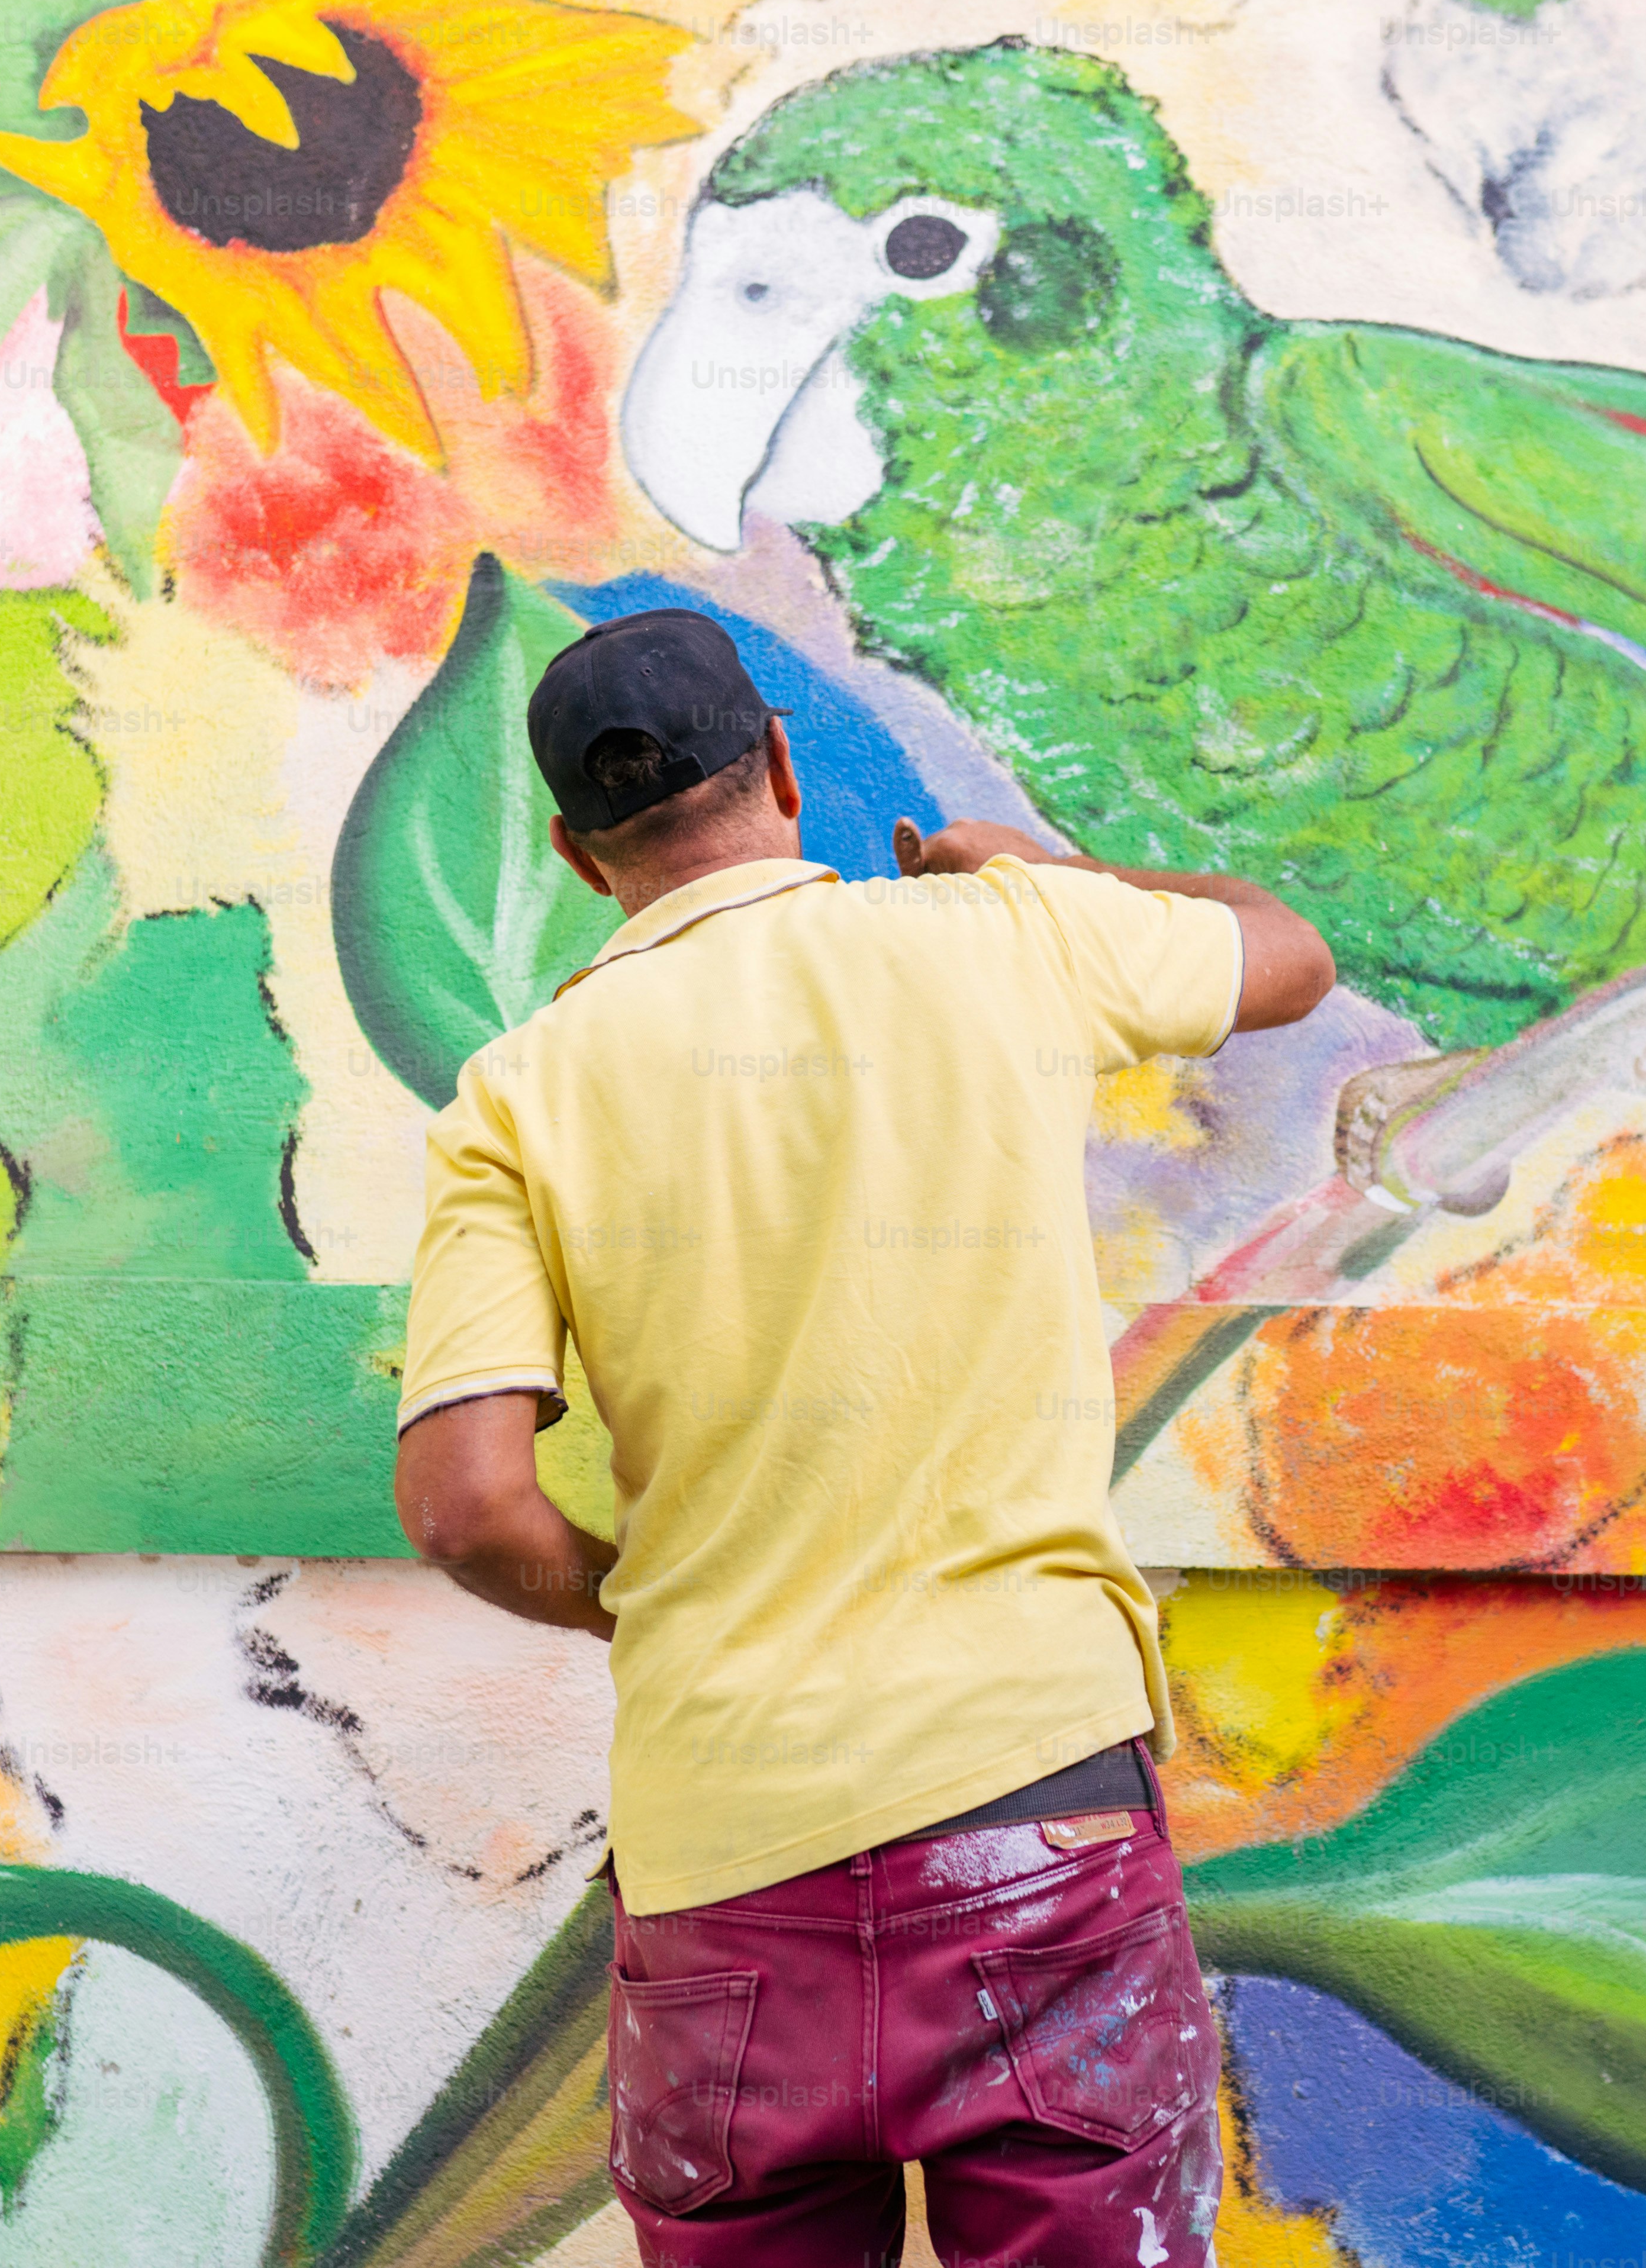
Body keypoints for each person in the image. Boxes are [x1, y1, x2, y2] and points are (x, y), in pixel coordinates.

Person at [393, 606, 1335, 2267]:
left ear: (575, 854)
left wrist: (652, 1602)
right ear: (777, 763)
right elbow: (1287, 952)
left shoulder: (519, 1090)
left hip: (719, 1849)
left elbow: (467, 1504)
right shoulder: (999, 937)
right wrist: (1040, 867)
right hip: (1028, 1795)